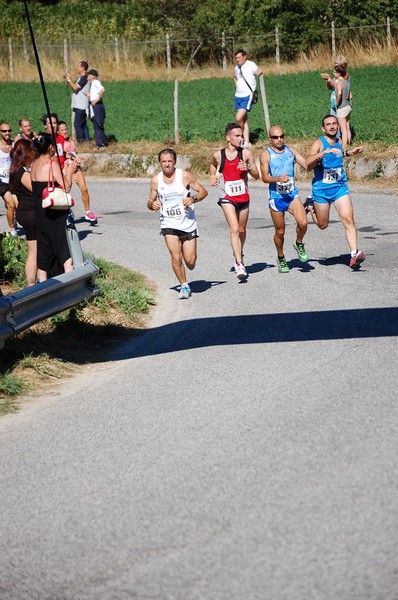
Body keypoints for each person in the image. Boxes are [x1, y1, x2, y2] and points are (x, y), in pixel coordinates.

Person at [305, 115, 365, 269]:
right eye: (328, 125)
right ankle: (311, 205)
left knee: (348, 219)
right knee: (323, 225)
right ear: (323, 128)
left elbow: (337, 156)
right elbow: (307, 164)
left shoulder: (339, 142)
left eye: (334, 124)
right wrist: (321, 154)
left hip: (339, 187)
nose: (331, 126)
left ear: (338, 126)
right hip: (322, 190)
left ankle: (353, 254)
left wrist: (350, 153)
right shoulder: (319, 143)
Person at [147, 148, 207, 299]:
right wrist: (151, 205)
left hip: (187, 223)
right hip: (168, 222)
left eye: (170, 161)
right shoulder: (156, 180)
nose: (167, 164)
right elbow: (150, 200)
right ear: (160, 163)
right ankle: (184, 285)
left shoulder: (185, 176)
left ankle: (187, 269)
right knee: (175, 256)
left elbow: (203, 191)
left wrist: (193, 199)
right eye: (164, 161)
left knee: (190, 261)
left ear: (174, 162)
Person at [210, 122, 259, 280]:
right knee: (234, 229)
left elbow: (257, 175)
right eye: (237, 136)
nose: (240, 138)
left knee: (242, 229)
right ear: (228, 137)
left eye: (241, 135)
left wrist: (248, 168)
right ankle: (239, 263)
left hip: (243, 197)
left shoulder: (246, 154)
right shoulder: (219, 155)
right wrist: (213, 175)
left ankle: (239, 252)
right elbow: (212, 165)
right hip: (226, 197)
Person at [260, 125, 309, 273]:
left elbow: (306, 164)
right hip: (276, 197)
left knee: (303, 222)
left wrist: (322, 155)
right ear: (270, 139)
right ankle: (281, 257)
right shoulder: (266, 154)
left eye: (281, 136)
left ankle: (298, 243)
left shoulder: (291, 151)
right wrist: (277, 179)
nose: (279, 139)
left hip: (291, 194)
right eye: (275, 137)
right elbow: (264, 178)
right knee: (280, 231)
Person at [31, 133, 78, 281]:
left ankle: (42, 287)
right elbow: (66, 187)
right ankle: (70, 282)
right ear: (51, 147)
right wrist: (69, 172)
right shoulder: (52, 164)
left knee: (44, 250)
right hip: (54, 212)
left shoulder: (33, 165)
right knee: (63, 247)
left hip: (40, 211)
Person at [9, 139, 44, 286]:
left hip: (25, 212)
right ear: (26, 153)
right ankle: (35, 284)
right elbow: (35, 188)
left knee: (34, 250)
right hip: (30, 212)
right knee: (36, 252)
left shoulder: (16, 170)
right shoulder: (22, 171)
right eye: (32, 150)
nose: (34, 152)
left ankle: (33, 284)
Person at [57, 121, 97, 223]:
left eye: (65, 129)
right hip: (67, 167)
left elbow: (72, 151)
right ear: (57, 131)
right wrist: (74, 157)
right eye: (62, 130)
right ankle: (65, 213)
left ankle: (88, 212)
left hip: (76, 166)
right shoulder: (58, 141)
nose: (65, 131)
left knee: (84, 189)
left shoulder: (69, 139)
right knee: (66, 191)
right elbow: (63, 154)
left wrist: (77, 155)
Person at [234, 49, 262, 148]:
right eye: (236, 57)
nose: (237, 59)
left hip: (248, 95)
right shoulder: (237, 67)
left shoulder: (251, 64)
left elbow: (256, 71)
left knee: (238, 118)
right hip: (238, 96)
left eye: (239, 57)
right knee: (244, 120)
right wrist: (237, 86)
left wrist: (259, 72)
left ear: (244, 57)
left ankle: (239, 137)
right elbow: (235, 77)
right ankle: (246, 142)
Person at [65, 61, 90, 143]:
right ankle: (86, 140)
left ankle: (80, 141)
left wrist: (69, 80)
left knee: (77, 124)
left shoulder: (84, 78)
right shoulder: (83, 78)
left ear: (83, 68)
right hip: (80, 105)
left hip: (81, 105)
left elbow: (75, 87)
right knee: (83, 124)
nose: (76, 68)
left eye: (78, 67)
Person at [0, 121, 17, 235]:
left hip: (13, 180)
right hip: (1, 181)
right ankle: (12, 231)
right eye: (4, 131)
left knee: (15, 206)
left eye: (9, 130)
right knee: (11, 204)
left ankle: (12, 218)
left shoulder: (15, 145)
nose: (7, 133)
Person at [86, 69, 107, 150]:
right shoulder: (93, 84)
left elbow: (103, 90)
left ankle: (101, 144)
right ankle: (99, 143)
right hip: (94, 106)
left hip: (97, 106)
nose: (87, 76)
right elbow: (96, 93)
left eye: (88, 75)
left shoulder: (95, 82)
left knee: (98, 124)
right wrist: (89, 95)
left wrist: (97, 99)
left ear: (92, 76)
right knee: (96, 124)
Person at [334, 65, 352, 149]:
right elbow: (350, 96)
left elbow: (339, 93)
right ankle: (349, 142)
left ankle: (344, 147)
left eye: (334, 72)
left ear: (338, 73)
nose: (333, 73)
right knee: (347, 127)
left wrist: (337, 102)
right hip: (348, 106)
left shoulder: (339, 83)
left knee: (343, 129)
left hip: (342, 107)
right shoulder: (347, 82)